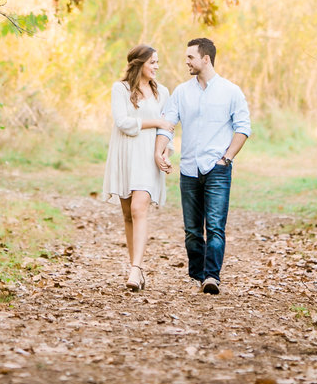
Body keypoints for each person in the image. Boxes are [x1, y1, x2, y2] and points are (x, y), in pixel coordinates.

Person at [158, 37, 251, 295]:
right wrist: (160, 149)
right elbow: (167, 124)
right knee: (192, 231)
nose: (186, 61)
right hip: (189, 169)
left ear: (205, 59)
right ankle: (197, 275)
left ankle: (212, 276)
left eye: (190, 57)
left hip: (217, 168)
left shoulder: (231, 91)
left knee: (215, 227)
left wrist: (227, 158)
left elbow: (243, 128)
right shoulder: (181, 92)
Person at [101, 44, 175, 291]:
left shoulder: (162, 92)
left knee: (138, 208)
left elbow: (168, 127)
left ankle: (135, 270)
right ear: (139, 63)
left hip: (147, 156)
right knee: (127, 214)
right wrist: (155, 121)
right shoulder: (120, 89)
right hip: (125, 154)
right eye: (152, 62)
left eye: (157, 62)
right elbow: (122, 122)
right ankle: (137, 268)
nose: (156, 66)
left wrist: (163, 151)